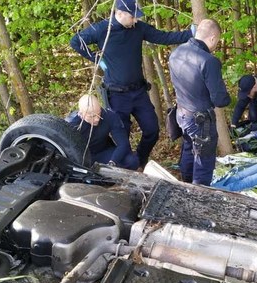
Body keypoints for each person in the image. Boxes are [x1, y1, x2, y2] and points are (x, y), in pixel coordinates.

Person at [70, 0, 193, 168]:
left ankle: (140, 160)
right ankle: (127, 168)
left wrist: (191, 33)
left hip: (138, 92)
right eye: (132, 17)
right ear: (119, 14)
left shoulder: (138, 28)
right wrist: (97, 59)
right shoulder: (102, 30)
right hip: (116, 95)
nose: (135, 20)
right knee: (123, 136)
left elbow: (163, 37)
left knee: (152, 130)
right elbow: (76, 41)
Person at [168, 19, 231, 186]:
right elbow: (220, 99)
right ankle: (198, 198)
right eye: (217, 41)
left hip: (182, 115)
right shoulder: (208, 61)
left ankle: (186, 186)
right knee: (203, 162)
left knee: (188, 152)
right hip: (201, 121)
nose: (216, 44)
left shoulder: (176, 53)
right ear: (212, 38)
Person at [65, 94, 139, 170]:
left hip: (103, 152)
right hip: (83, 157)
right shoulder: (72, 125)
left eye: (99, 113)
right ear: (81, 114)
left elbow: (123, 144)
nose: (97, 119)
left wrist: (112, 163)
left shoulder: (109, 116)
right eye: (92, 116)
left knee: (132, 160)